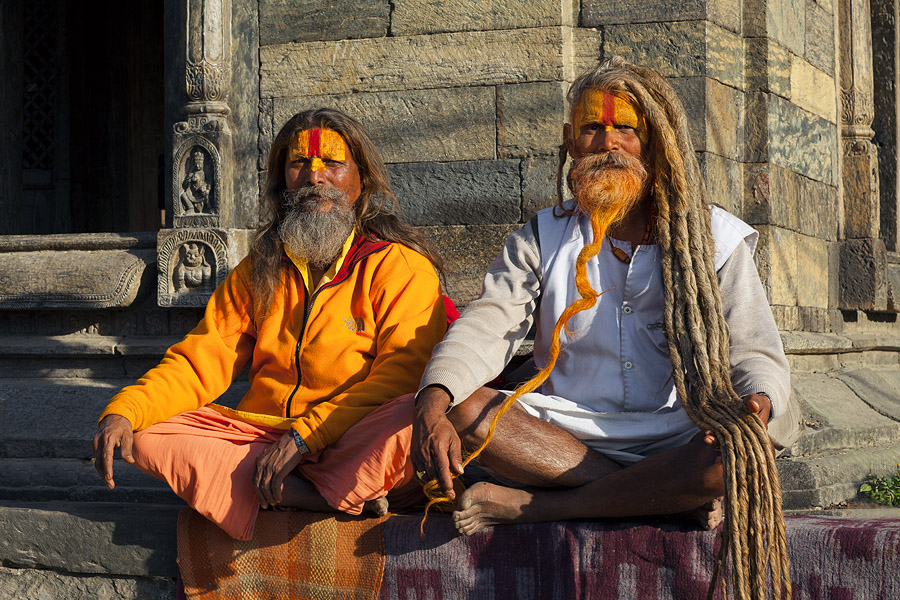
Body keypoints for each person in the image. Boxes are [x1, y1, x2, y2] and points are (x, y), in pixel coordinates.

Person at [412, 57, 802, 535]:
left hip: (678, 430)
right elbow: (487, 323)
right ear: (570, 142)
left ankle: (541, 506)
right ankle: (659, 498)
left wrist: (756, 402)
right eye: (592, 127)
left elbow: (754, 346)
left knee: (738, 450)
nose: (609, 143)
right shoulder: (543, 236)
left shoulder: (714, 238)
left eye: (627, 129)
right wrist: (432, 401)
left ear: (656, 143)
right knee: (465, 409)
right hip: (563, 433)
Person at [94, 108, 449, 541]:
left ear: (362, 183)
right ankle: (325, 495)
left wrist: (305, 437)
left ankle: (300, 493)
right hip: (265, 439)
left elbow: (404, 372)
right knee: (145, 435)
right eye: (299, 163)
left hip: (350, 438)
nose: (314, 178)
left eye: (333, 164)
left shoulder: (399, 267)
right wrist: (122, 411)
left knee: (411, 415)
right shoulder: (259, 270)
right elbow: (199, 360)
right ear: (282, 181)